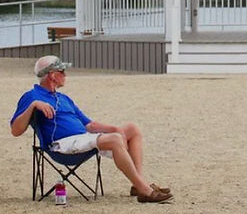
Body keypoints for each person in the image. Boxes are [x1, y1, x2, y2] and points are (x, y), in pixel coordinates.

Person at [10, 55, 173, 203]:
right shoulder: (32, 97)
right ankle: (146, 191)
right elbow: (16, 131)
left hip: (83, 138)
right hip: (62, 146)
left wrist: (115, 128)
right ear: (53, 74)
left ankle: (138, 185)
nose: (66, 75)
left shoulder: (64, 98)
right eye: (63, 71)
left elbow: (89, 125)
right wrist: (33, 106)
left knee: (132, 129)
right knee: (115, 139)